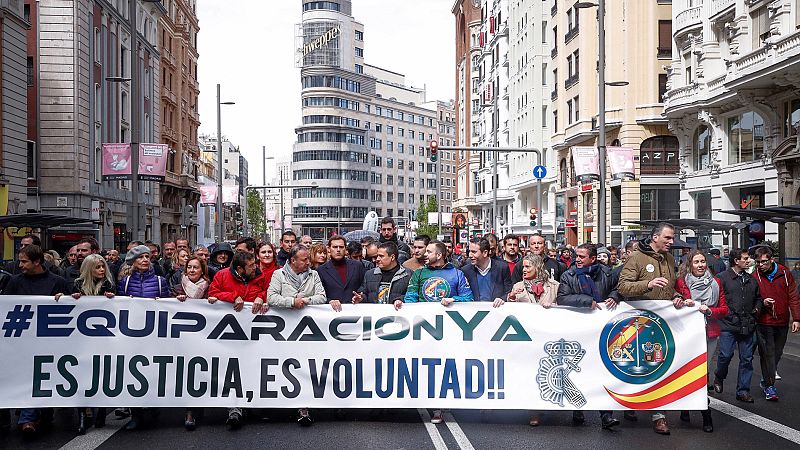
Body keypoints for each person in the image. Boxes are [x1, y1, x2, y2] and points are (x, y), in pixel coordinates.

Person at [618, 222, 682, 435]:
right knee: (637, 367)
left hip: (662, 323)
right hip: (639, 322)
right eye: (668, 238)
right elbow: (623, 287)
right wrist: (647, 284)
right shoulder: (636, 258)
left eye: (672, 238)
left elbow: (670, 288)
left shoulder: (670, 259)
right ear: (655, 237)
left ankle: (659, 416)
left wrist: (676, 297)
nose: (671, 242)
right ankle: (631, 403)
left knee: (659, 366)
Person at [401, 240, 473, 424]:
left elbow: (469, 298)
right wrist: (405, 306)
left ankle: (438, 408)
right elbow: (411, 297)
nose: (425, 253)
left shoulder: (457, 274)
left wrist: (453, 299)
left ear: (439, 255)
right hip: (422, 329)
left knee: (443, 367)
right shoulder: (418, 273)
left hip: (448, 330)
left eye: (429, 251)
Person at [4, 245, 70, 437]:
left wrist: (65, 299)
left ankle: (42, 414)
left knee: (44, 378)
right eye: (20, 261)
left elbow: (71, 306)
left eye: (24, 261)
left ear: (37, 262)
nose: (20, 265)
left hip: (50, 340)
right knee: (28, 378)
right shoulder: (14, 282)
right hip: (23, 340)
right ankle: (27, 419)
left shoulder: (57, 281)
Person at [555, 243, 621, 430]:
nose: (578, 259)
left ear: (593, 258)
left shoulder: (608, 273)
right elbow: (563, 298)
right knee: (580, 371)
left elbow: (619, 288)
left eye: (582, 256)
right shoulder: (569, 275)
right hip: (579, 330)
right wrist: (587, 301)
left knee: (604, 371)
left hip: (603, 331)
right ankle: (578, 409)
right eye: (577, 255)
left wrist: (615, 296)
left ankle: (606, 416)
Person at [267, 245, 328, 425]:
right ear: (293, 260)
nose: (308, 262)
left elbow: (321, 297)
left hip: (307, 331)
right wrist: (291, 302)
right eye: (304, 260)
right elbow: (271, 297)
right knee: (286, 366)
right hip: (284, 332)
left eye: (308, 259)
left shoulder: (313, 274)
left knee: (305, 367)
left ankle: (304, 406)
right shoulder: (279, 275)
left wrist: (305, 301)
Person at [57, 254, 115, 434]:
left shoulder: (109, 285)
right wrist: (64, 297)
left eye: (103, 267)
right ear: (89, 269)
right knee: (82, 375)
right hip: (81, 341)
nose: (102, 270)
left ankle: (101, 412)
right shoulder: (77, 285)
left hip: (104, 341)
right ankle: (83, 413)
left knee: (101, 375)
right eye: (98, 267)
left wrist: (113, 299)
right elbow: (69, 306)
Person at [674, 249, 728, 432]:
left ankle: (706, 413)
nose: (700, 265)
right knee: (686, 371)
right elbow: (674, 304)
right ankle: (685, 407)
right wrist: (682, 303)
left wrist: (709, 310)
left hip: (709, 333)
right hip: (687, 336)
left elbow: (724, 309)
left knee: (702, 373)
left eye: (703, 262)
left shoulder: (716, 282)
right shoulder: (681, 283)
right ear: (689, 265)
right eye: (696, 262)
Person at [713, 249, 762, 404]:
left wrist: (757, 308)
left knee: (747, 359)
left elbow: (758, 298)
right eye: (745, 258)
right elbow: (716, 299)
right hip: (728, 324)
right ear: (736, 260)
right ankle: (719, 376)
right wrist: (725, 314)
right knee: (725, 355)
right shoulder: (722, 278)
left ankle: (743, 391)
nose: (748, 261)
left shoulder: (751, 279)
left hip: (747, 325)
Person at [751, 246, 800, 401]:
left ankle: (767, 379)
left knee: (777, 353)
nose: (760, 265)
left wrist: (797, 318)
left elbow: (793, 296)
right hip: (763, 321)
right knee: (767, 353)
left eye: (764, 262)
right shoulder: (755, 276)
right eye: (758, 262)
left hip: (782, 320)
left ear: (771, 260)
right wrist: (762, 302)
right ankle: (770, 386)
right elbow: (753, 297)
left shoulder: (785, 273)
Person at [169, 255, 209, 431]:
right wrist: (174, 301)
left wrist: (214, 301)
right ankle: (190, 410)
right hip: (182, 339)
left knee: (202, 371)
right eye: (189, 268)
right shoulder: (177, 288)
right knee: (187, 372)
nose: (192, 270)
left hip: (205, 338)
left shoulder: (209, 288)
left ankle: (199, 405)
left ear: (202, 270)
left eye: (196, 267)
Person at [317, 235, 366, 312]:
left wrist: (361, 296)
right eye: (335, 247)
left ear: (345, 249)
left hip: (355, 311)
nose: (338, 250)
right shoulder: (321, 270)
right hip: (331, 313)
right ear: (329, 249)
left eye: (341, 247)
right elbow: (319, 294)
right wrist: (329, 301)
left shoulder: (357, 266)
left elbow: (364, 286)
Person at [353, 242, 410, 306]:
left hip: (397, 314)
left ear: (392, 257)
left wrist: (401, 300)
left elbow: (412, 295)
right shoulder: (369, 274)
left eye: (381, 256)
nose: (377, 259)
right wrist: (361, 298)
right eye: (377, 256)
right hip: (375, 314)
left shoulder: (407, 275)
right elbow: (364, 293)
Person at [461, 238, 512, 304]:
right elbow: (463, 294)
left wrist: (502, 299)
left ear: (485, 253)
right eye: (469, 251)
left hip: (497, 311)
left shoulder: (502, 268)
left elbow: (509, 291)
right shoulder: (466, 271)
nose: (470, 255)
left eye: (474, 252)